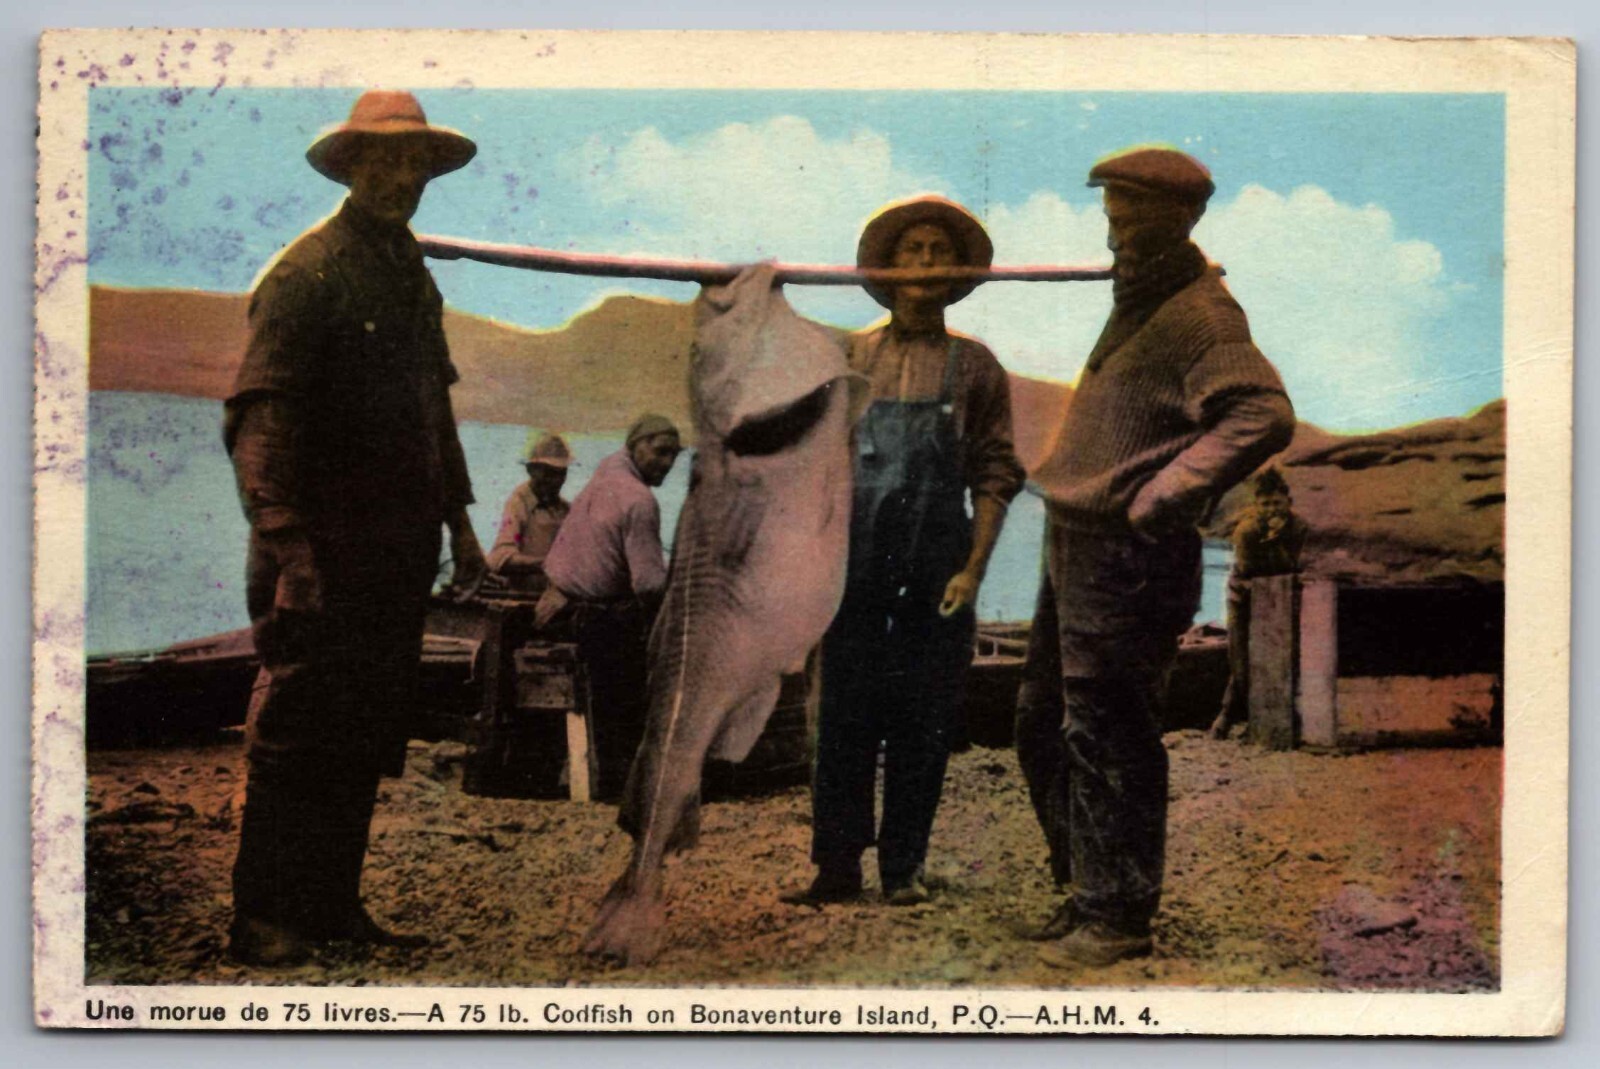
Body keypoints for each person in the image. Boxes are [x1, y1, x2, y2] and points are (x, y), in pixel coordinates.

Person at [223, 90, 487, 966]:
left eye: (414, 165)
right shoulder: (307, 275)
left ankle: (332, 902)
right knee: (298, 721)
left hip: (395, 550)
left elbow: (432, 411)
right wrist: (289, 550)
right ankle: (261, 914)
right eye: (383, 161)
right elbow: (262, 421)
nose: (401, 179)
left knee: (366, 724)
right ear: (349, 167)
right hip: (318, 550)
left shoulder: (412, 274)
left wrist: (462, 526)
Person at [1019, 147, 1295, 967]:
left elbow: (1263, 413)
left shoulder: (1203, 314)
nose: (1115, 238)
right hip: (1072, 537)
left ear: (1182, 221)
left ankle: (1117, 915)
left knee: (1107, 730)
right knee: (1041, 722)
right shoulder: (1140, 291)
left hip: (1124, 553)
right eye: (1110, 220)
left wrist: (1164, 493)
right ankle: (1086, 889)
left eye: (1131, 222)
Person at [786, 196, 1026, 908]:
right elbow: (812, 467)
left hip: (937, 564)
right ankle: (835, 867)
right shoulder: (849, 357)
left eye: (935, 251)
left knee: (923, 717)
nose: (924, 262)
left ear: (955, 276)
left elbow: (994, 474)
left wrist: (975, 566)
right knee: (839, 715)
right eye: (911, 250)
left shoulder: (976, 368)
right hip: (852, 565)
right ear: (886, 272)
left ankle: (902, 869)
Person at [536, 414, 683, 797]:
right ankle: (621, 787)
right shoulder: (640, 500)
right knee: (637, 679)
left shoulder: (608, 470)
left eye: (674, 455)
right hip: (590, 618)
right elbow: (649, 585)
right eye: (660, 451)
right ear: (636, 445)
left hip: (554, 603)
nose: (667, 463)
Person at [1210, 467, 1308, 739]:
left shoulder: (1299, 528)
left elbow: (1294, 567)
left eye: (1276, 503)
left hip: (1281, 600)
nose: (1271, 509)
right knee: (1242, 663)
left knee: (1283, 660)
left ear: (1288, 502)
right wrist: (1273, 541)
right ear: (1256, 506)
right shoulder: (1246, 532)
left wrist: (1277, 541)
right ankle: (1226, 718)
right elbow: (1250, 571)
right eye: (1264, 504)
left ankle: (1264, 721)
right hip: (1244, 600)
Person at [486, 431, 573, 594]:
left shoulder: (567, 510)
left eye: (561, 474)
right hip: (522, 597)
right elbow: (500, 559)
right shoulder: (519, 503)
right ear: (531, 470)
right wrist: (546, 564)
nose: (556, 481)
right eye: (548, 473)